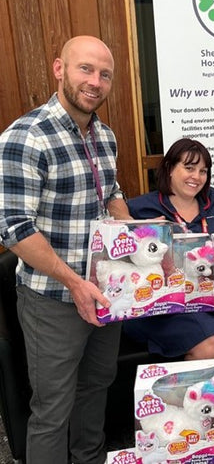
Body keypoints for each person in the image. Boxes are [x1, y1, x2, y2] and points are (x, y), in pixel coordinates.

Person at [0, 36, 132, 463]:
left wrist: (139, 236)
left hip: (105, 292)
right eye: (85, 69)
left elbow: (110, 192)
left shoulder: (105, 136)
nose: (95, 81)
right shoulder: (25, 137)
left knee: (96, 388)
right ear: (59, 69)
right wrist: (75, 283)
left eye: (104, 74)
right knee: (52, 409)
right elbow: (14, 228)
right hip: (54, 299)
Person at [124, 137, 214, 428]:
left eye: (203, 171)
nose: (197, 177)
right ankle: (207, 408)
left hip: (210, 295)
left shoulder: (213, 198)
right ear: (168, 168)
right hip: (166, 304)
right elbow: (123, 256)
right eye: (189, 168)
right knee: (210, 341)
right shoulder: (140, 208)